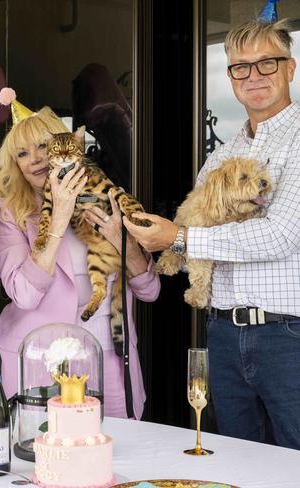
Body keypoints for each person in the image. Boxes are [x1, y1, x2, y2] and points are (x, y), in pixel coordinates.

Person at [124, 19, 300, 448]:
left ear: (290, 69)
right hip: (222, 334)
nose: (254, 76)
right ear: (230, 77)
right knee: (234, 459)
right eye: (241, 67)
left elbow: (280, 236)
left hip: (288, 338)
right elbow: (196, 219)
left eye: (267, 64)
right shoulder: (221, 156)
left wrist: (179, 239)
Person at [0, 100, 160, 419]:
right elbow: (24, 295)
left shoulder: (105, 195)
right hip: (39, 358)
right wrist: (60, 215)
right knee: (45, 459)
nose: (36, 160)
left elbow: (150, 290)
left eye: (42, 146)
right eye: (22, 154)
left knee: (112, 454)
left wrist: (121, 242)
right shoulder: (8, 212)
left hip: (109, 351)